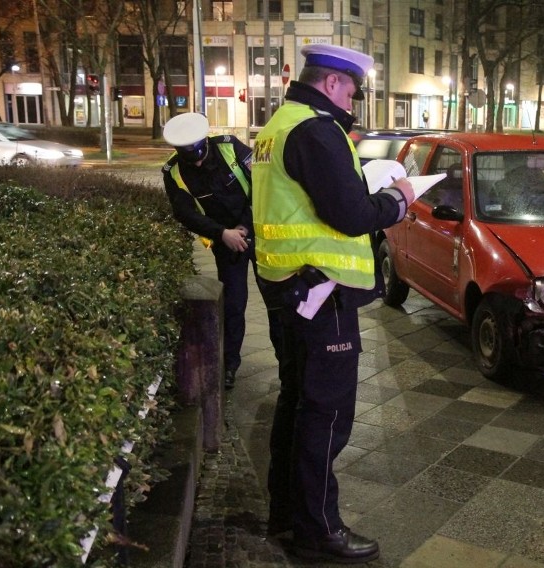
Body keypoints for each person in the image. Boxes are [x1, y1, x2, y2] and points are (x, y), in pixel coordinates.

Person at [251, 44, 416, 564]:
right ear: (331, 84)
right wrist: (399, 200)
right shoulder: (317, 129)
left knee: (296, 403)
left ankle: (286, 517)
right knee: (325, 413)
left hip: (288, 288)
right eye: (352, 90)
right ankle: (319, 530)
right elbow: (350, 214)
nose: (354, 100)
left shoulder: (278, 125)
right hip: (320, 295)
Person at [162, 112, 273, 390]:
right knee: (233, 307)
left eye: (199, 154)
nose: (197, 162)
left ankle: (289, 366)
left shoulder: (230, 147)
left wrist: (244, 227)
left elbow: (263, 185)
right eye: (191, 159)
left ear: (205, 142)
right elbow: (185, 214)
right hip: (225, 244)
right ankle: (230, 366)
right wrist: (223, 234)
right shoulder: (174, 172)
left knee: (277, 301)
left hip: (260, 235)